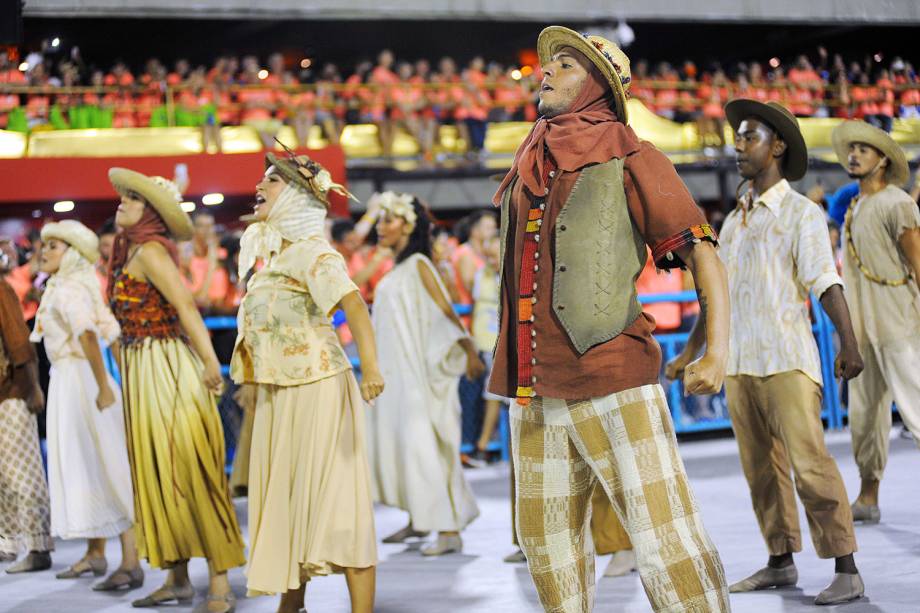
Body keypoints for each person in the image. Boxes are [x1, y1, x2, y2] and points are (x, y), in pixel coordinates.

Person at [490, 27, 730, 612]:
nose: (546, 71)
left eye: (566, 65)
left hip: (615, 376)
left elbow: (701, 250)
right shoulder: (531, 157)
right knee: (545, 547)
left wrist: (716, 352)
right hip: (537, 389)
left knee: (665, 539)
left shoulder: (633, 155)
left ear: (597, 84)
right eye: (549, 64)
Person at [674, 99, 865, 605]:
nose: (738, 146)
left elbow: (826, 281)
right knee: (761, 471)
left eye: (748, 137)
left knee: (810, 465)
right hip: (739, 365)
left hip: (787, 360)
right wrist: (689, 353)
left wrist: (849, 342)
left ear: (776, 146)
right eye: (737, 137)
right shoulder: (733, 225)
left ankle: (846, 567)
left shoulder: (802, 213)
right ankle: (780, 561)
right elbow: (716, 300)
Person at [231, 152, 383, 613]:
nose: (261, 185)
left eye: (273, 180)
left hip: (317, 388)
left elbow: (353, 304)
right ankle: (290, 605)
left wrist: (371, 370)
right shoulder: (273, 255)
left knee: (336, 502)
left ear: (296, 195)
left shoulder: (312, 251)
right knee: (289, 502)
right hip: (281, 394)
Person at [106, 168, 245, 613]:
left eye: (131, 199)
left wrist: (208, 362)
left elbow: (186, 306)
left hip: (167, 367)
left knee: (190, 468)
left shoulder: (149, 252)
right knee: (158, 473)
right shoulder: (133, 252)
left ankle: (219, 581)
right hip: (144, 368)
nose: (121, 203)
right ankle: (177, 577)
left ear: (151, 213)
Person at [366, 191, 484, 556]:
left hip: (416, 373)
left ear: (408, 224)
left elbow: (444, 311)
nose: (381, 227)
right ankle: (419, 518)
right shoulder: (398, 267)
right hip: (397, 373)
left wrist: (466, 348)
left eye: (388, 220)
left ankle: (449, 530)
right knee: (405, 447)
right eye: (380, 220)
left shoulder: (419, 264)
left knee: (424, 447)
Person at [30, 220, 143, 590]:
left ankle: (130, 559)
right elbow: (110, 329)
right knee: (96, 463)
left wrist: (102, 385)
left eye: (54, 247)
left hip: (79, 381)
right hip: (76, 380)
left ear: (73, 255)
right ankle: (99, 554)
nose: (44, 252)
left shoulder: (68, 291)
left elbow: (90, 335)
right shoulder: (74, 285)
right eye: (45, 246)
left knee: (102, 462)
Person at [830, 120, 920, 524]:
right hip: (862, 332)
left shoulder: (897, 203)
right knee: (864, 418)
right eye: (851, 150)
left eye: (863, 150)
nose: (854, 155)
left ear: (882, 159)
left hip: (899, 321)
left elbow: (918, 263)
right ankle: (868, 497)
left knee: (917, 406)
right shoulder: (854, 206)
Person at [0, 243, 52, 574]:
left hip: (12, 391)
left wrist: (32, 388)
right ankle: (8, 543)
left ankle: (37, 545)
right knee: (3, 477)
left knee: (23, 473)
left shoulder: (1, 289)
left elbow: (19, 341)